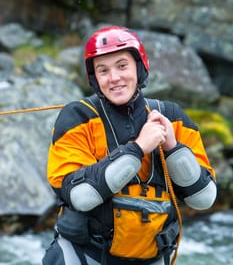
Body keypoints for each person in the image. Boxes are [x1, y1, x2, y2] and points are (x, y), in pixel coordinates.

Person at [42, 26, 217, 265]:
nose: (114, 77)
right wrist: (138, 148)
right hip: (84, 256)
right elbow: (81, 196)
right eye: (103, 70)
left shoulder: (173, 117)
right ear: (94, 78)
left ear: (139, 66)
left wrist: (173, 148)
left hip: (152, 257)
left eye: (122, 66)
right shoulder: (77, 117)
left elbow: (204, 198)